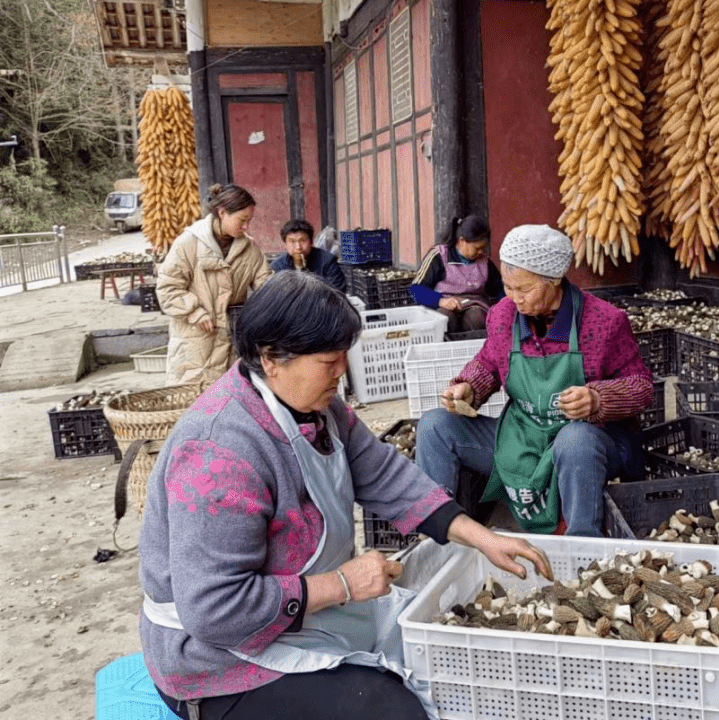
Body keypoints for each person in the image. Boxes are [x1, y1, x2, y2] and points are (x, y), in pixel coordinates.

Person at [138, 271, 551, 720]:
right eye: (328, 361)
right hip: (218, 661)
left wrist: (484, 537)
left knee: (442, 647)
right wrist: (342, 584)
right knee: (390, 709)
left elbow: (386, 475)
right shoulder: (218, 454)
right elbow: (215, 611)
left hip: (302, 614)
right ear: (271, 358)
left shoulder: (320, 408)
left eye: (343, 357)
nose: (342, 373)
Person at [415, 224, 653, 537]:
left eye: (524, 290)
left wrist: (597, 399)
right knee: (434, 425)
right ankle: (435, 535)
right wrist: (469, 388)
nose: (514, 299)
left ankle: (582, 547)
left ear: (553, 280)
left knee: (575, 439)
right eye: (508, 287)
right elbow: (489, 362)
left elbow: (642, 387)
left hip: (586, 448)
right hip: (523, 442)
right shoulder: (502, 315)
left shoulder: (605, 322)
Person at [157, 183, 272, 385]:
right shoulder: (188, 243)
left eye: (249, 221)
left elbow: (268, 286)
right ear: (222, 213)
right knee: (193, 402)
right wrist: (195, 311)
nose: (246, 227)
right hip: (195, 344)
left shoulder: (250, 249)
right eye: (242, 220)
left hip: (232, 343)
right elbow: (167, 288)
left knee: (231, 401)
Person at [410, 215, 504, 334]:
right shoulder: (439, 256)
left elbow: (499, 290)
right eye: (477, 248)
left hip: (475, 306)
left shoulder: (485, 262)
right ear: (462, 241)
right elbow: (416, 290)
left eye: (483, 248)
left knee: (476, 318)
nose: (481, 252)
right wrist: (441, 301)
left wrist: (503, 309)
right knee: (445, 319)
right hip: (444, 305)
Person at [269, 218, 347, 292]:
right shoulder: (278, 266)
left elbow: (337, 292)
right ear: (285, 244)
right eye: (292, 241)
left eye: (302, 240)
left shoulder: (327, 261)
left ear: (311, 242)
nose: (298, 247)